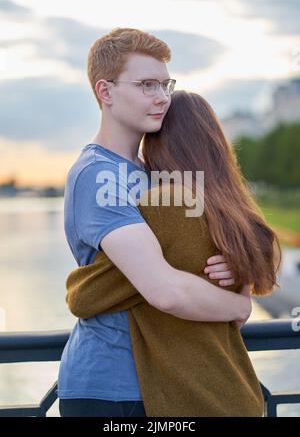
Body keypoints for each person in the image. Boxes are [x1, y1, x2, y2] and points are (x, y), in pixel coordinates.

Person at [57, 28, 255, 417]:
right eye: (147, 85)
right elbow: (166, 291)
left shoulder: (155, 174)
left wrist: (227, 268)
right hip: (113, 389)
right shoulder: (98, 175)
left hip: (168, 382)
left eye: (165, 85)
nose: (163, 97)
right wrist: (238, 305)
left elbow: (196, 258)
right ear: (105, 91)